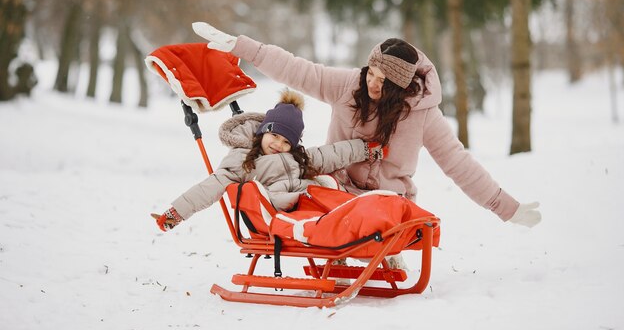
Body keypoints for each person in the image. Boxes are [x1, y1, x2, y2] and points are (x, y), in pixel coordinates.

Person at [189, 22, 541, 229]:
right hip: (333, 190)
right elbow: (297, 69)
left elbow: (459, 165)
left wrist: (506, 208)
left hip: (386, 200)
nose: (372, 83)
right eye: (371, 72)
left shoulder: (422, 115)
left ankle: (375, 249)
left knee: (377, 213)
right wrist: (243, 47)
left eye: (382, 80)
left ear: (400, 87)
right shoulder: (348, 85)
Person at [153, 89, 386, 231]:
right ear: (263, 131)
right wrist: (176, 213)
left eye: (287, 142)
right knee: (329, 209)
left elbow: (332, 154)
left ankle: (369, 222)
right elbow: (209, 187)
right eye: (274, 136)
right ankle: (346, 227)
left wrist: (365, 149)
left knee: (336, 194)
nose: (279, 145)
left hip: (310, 202)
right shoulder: (241, 160)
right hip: (277, 212)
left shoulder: (297, 157)